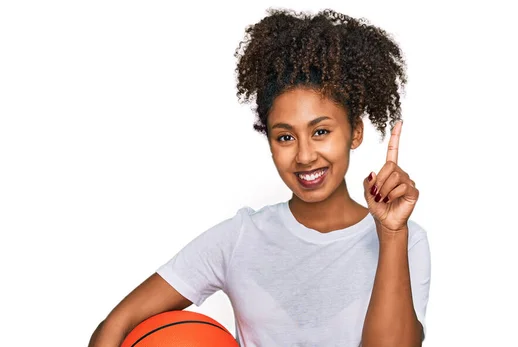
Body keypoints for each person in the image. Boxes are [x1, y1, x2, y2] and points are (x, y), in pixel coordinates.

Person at [89, 8, 431, 347]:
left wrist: (390, 233)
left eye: (321, 131)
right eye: (285, 137)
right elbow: (118, 323)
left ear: (354, 132)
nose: (305, 155)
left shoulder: (405, 240)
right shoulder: (240, 238)